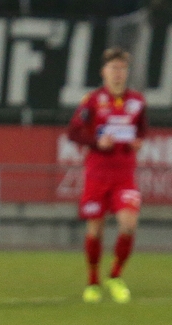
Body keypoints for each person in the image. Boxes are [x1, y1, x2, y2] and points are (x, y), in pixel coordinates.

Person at [67, 47, 147, 304]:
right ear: (104, 71)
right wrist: (96, 142)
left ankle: (115, 276)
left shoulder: (137, 102)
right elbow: (73, 132)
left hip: (124, 176)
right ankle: (93, 281)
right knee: (95, 231)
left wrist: (138, 142)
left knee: (128, 224)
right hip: (97, 175)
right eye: (113, 68)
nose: (117, 73)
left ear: (127, 72)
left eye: (122, 68)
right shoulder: (92, 100)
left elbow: (141, 130)